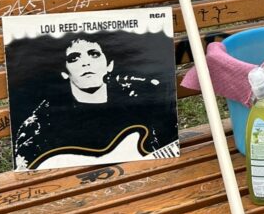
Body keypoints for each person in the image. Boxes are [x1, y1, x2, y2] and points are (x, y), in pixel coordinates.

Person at [11, 32, 178, 170]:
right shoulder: (41, 125)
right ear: (64, 71)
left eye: (94, 54)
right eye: (74, 58)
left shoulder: (141, 106)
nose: (86, 63)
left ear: (109, 65)